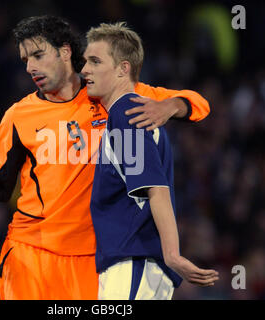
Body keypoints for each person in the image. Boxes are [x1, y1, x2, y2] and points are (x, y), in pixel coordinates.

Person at [0, 15, 211, 300]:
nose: (30, 67)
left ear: (65, 51)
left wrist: (172, 106)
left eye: (38, 56)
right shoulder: (20, 115)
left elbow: (199, 103)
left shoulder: (110, 95)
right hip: (31, 253)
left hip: (91, 260)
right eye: (26, 59)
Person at [84, 22, 219, 300]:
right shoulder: (138, 111)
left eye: (95, 61)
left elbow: (155, 187)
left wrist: (172, 255)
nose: (85, 69)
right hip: (140, 263)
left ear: (123, 68)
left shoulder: (126, 114)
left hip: (133, 261)